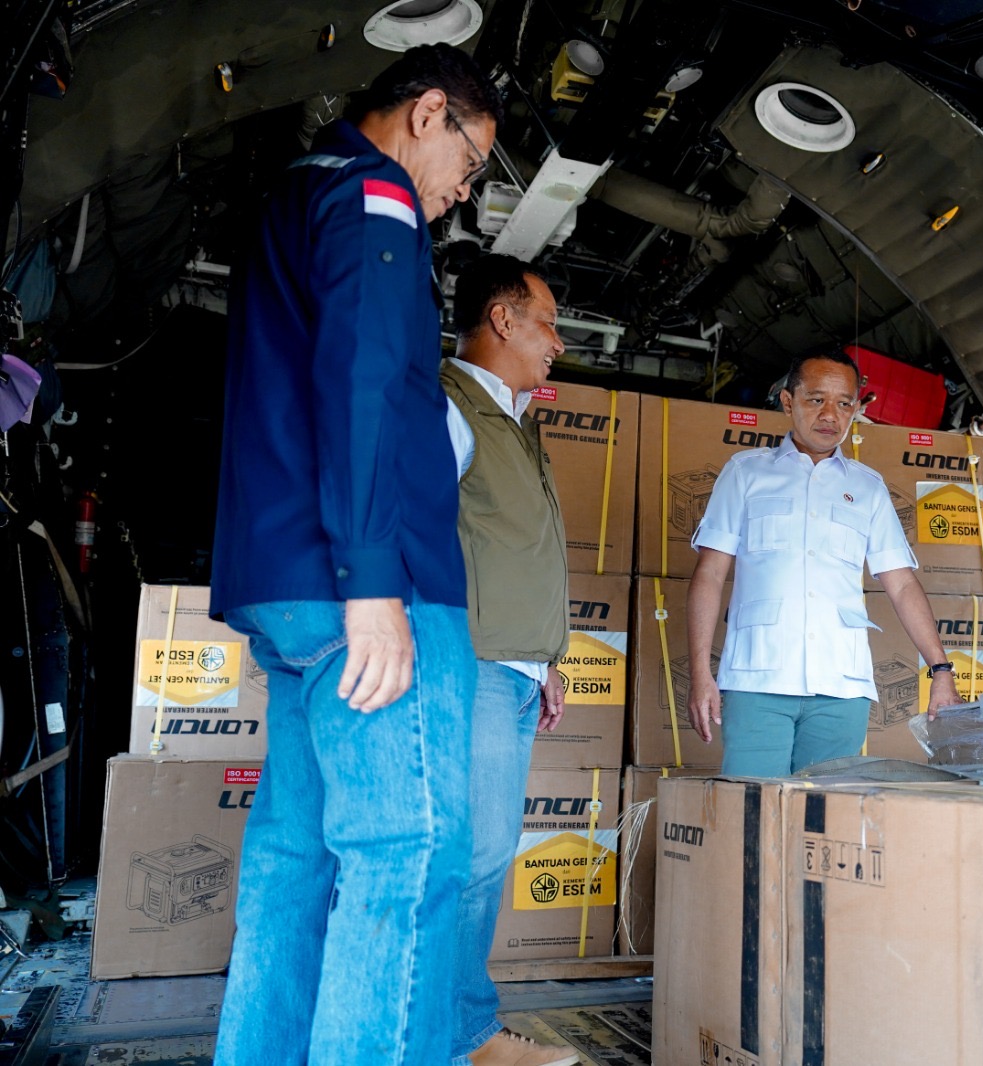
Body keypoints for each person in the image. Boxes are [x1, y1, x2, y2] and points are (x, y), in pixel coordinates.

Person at [209, 45, 500, 1066]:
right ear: (428, 112)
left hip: (283, 585)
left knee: (293, 861)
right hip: (369, 589)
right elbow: (364, 384)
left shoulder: (295, 191)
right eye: (468, 163)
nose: (460, 193)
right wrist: (373, 578)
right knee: (403, 857)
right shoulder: (374, 196)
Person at [685, 350, 962, 776]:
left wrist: (941, 669)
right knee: (753, 814)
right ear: (787, 401)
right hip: (758, 680)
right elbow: (710, 575)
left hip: (841, 686)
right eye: (816, 399)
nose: (830, 414)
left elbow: (902, 585)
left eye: (845, 403)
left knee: (824, 820)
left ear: (857, 409)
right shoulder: (745, 473)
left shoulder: (867, 488)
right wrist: (702, 671)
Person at [440, 254, 580, 1066]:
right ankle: (460, 1038)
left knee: (483, 855)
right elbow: (409, 534)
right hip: (471, 666)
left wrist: (544, 659)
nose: (557, 342)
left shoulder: (511, 417)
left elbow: (505, 551)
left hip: (513, 667)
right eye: (548, 322)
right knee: (473, 856)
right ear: (502, 320)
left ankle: (456, 1031)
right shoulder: (453, 410)